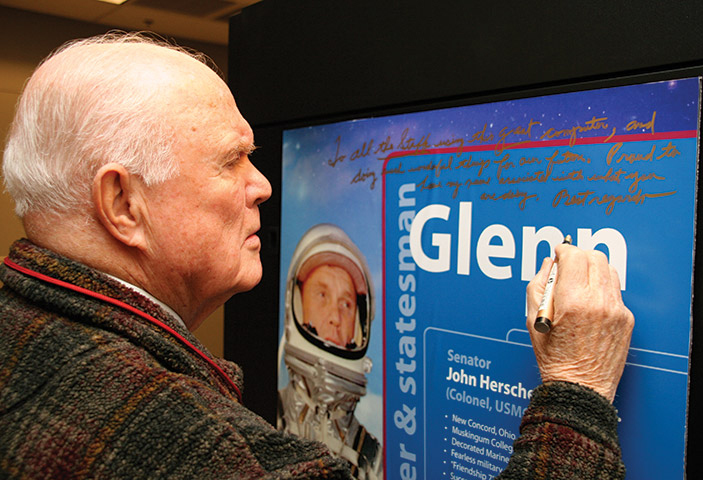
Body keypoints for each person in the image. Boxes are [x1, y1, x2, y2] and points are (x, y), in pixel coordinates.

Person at [0, 32, 634, 479]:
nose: (262, 185)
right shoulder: (188, 443)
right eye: (231, 159)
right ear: (123, 203)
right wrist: (577, 388)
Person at [278, 224, 382, 480]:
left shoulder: (373, 458)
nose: (336, 317)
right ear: (298, 307)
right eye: (322, 295)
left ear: (357, 327)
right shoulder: (263, 417)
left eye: (346, 303)